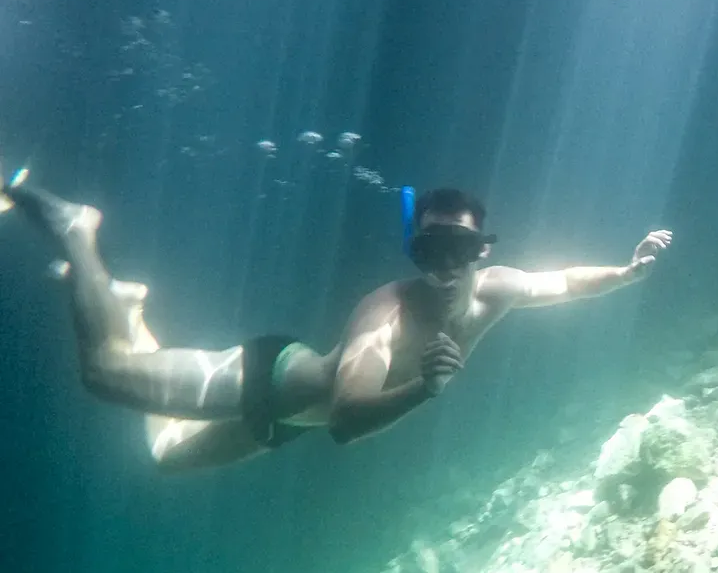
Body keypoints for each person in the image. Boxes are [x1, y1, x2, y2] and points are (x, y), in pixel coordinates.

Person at [1, 170, 671, 470]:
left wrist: (626, 272)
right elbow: (349, 419)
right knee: (104, 372)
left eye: (459, 250)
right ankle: (77, 231)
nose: (444, 265)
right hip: (264, 379)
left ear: (483, 252)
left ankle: (129, 305)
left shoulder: (499, 288)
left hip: (285, 421)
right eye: (429, 250)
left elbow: (563, 281)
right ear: (414, 252)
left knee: (167, 456)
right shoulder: (387, 312)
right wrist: (426, 389)